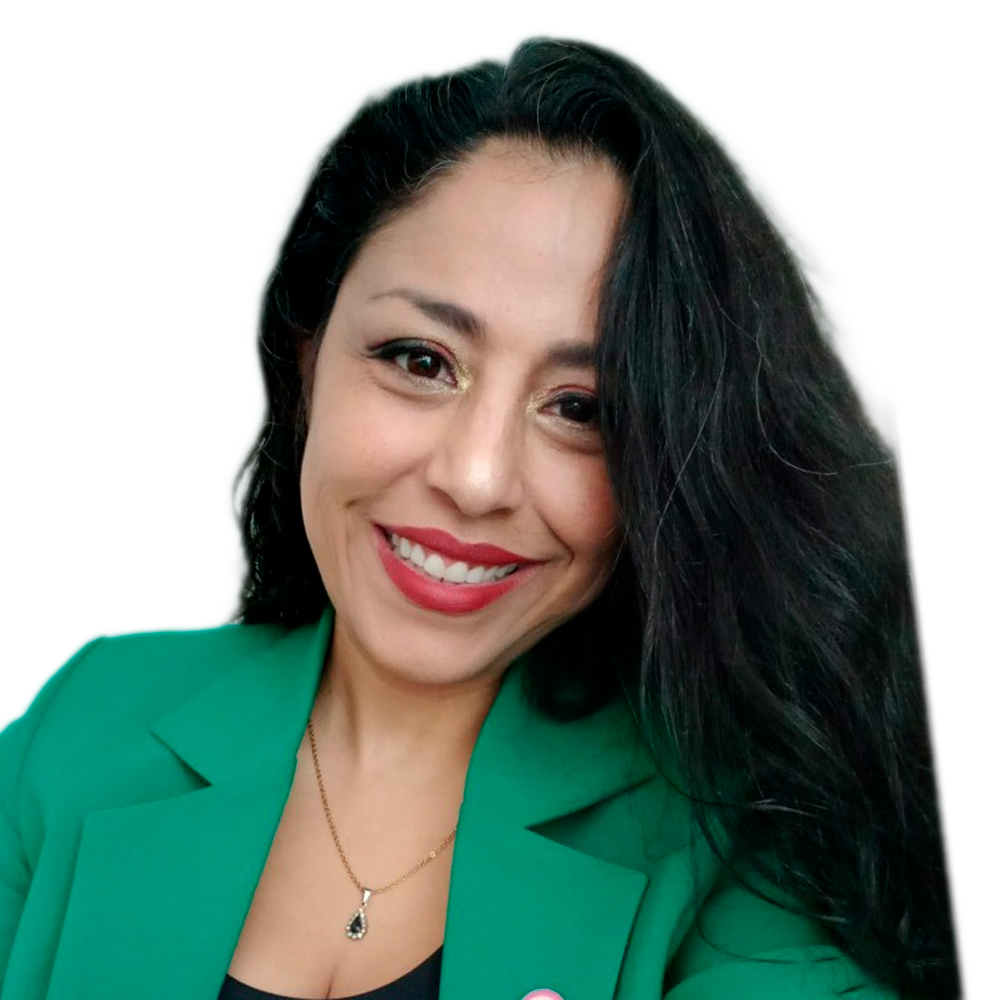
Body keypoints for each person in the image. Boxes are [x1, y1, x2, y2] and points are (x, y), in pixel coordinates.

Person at [0, 36, 959, 1000]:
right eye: (420, 361)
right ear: (307, 360)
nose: (475, 476)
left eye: (582, 409)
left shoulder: (749, 841)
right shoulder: (87, 724)